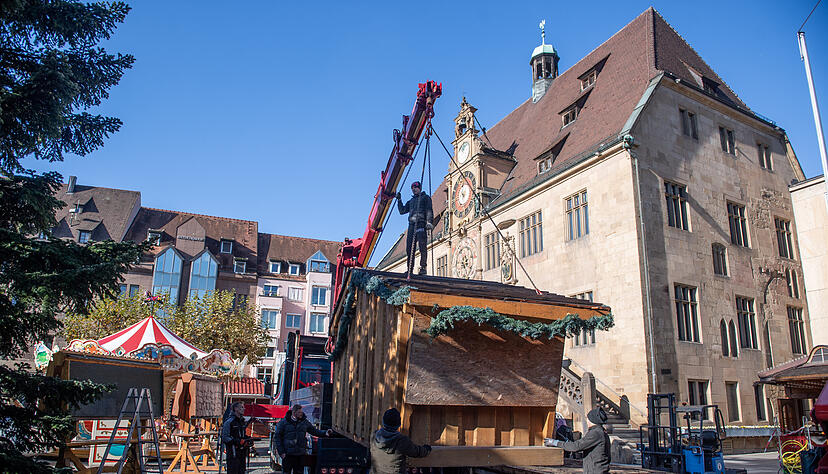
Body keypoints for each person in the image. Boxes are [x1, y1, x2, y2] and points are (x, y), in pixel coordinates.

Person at [545, 407, 610, 474]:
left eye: (588, 419)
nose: (587, 421)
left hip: (596, 471)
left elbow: (576, 447)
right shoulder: (600, 432)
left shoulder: (595, 433)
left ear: (592, 420)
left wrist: (555, 442)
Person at [273, 404, 333, 474]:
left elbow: (314, 431)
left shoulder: (304, 422)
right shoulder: (283, 423)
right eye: (299, 412)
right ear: (294, 413)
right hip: (288, 454)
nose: (301, 414)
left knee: (299, 472)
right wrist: (281, 453)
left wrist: (325, 433)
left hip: (300, 454)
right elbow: (277, 438)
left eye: (301, 412)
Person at [370, 408, 431, 474]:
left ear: (383, 421)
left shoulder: (374, 436)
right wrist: (427, 449)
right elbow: (417, 452)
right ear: (399, 424)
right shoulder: (401, 440)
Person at [396, 181, 433, 275]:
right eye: (412, 188)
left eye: (415, 187)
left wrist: (429, 222)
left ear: (419, 188)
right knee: (409, 249)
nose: (413, 189)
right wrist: (399, 200)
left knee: (422, 246)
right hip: (412, 225)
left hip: (421, 223)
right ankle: (410, 269)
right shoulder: (411, 201)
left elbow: (429, 210)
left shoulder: (425, 197)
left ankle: (423, 267)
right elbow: (402, 211)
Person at [221, 402, 253, 474]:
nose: (244, 409)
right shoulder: (229, 422)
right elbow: (225, 437)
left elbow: (241, 435)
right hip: (233, 454)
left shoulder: (241, 421)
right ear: (236, 409)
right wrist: (238, 441)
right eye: (241, 407)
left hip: (242, 454)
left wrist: (247, 439)